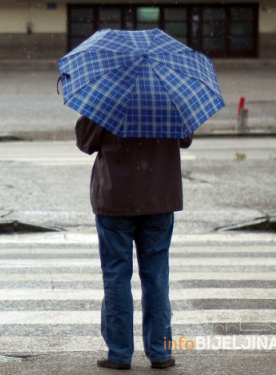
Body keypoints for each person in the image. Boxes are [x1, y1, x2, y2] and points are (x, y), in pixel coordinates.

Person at [75, 115, 193, 370]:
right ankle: (160, 352)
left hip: (115, 198)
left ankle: (119, 353)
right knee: (156, 276)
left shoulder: (108, 97)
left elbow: (85, 141)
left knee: (116, 275)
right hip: (159, 197)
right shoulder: (168, 94)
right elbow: (185, 138)